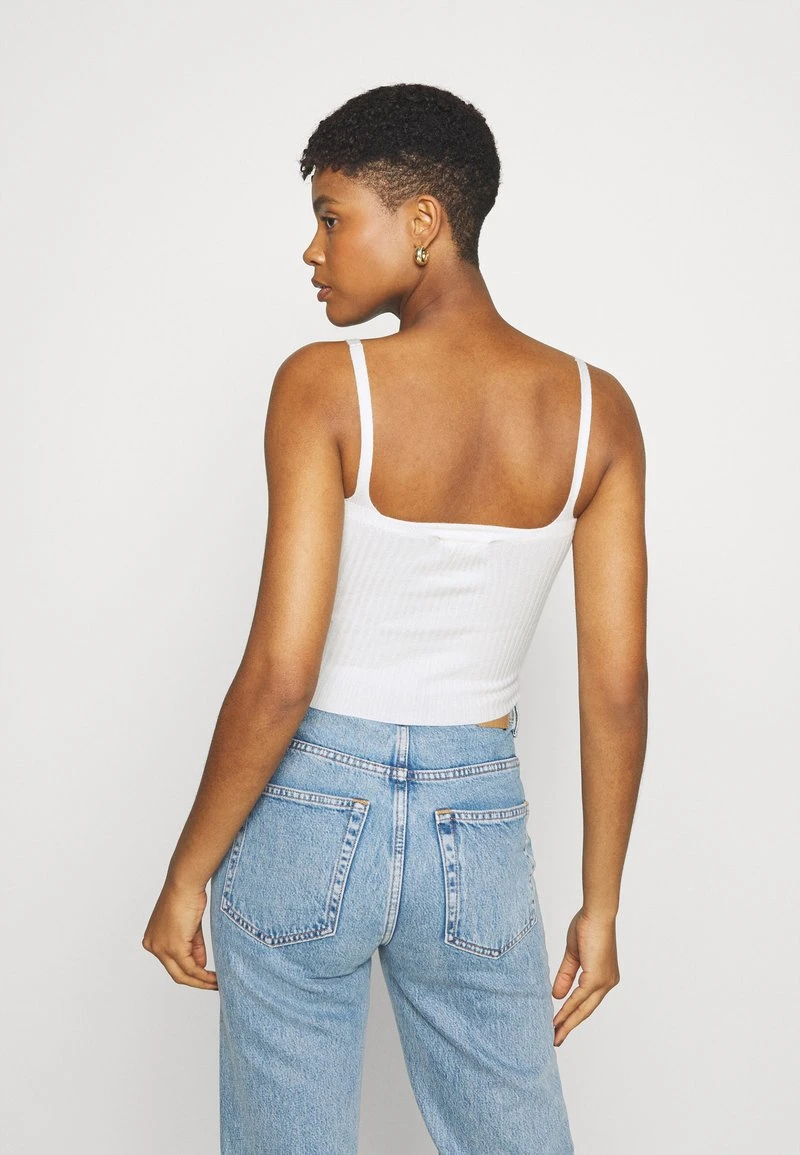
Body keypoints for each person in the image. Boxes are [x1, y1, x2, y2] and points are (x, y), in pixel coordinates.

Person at [142, 82, 648, 1154]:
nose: (312, 250)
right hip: (478, 817)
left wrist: (186, 873)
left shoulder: (323, 386)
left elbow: (282, 674)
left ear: (424, 220)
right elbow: (614, 685)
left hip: (308, 804)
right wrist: (599, 904)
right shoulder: (594, 410)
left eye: (331, 218)